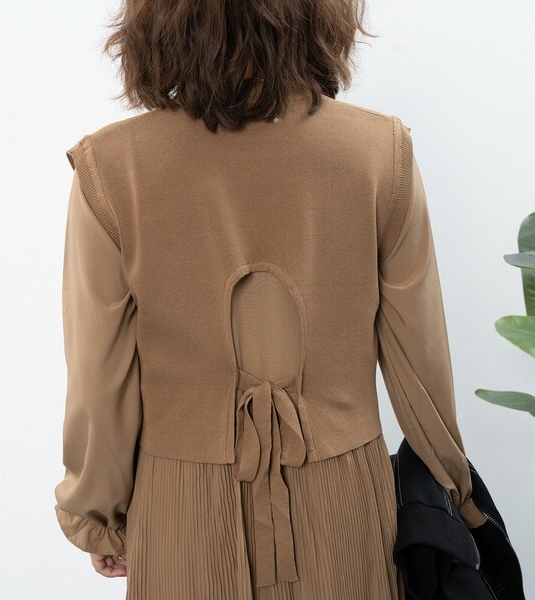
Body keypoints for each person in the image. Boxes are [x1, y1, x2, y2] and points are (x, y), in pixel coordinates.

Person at [53, 1, 487, 598]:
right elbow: (421, 361)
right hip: (344, 501)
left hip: (181, 507)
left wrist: (97, 515)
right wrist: (456, 495)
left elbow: (99, 375)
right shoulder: (379, 152)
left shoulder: (111, 167)